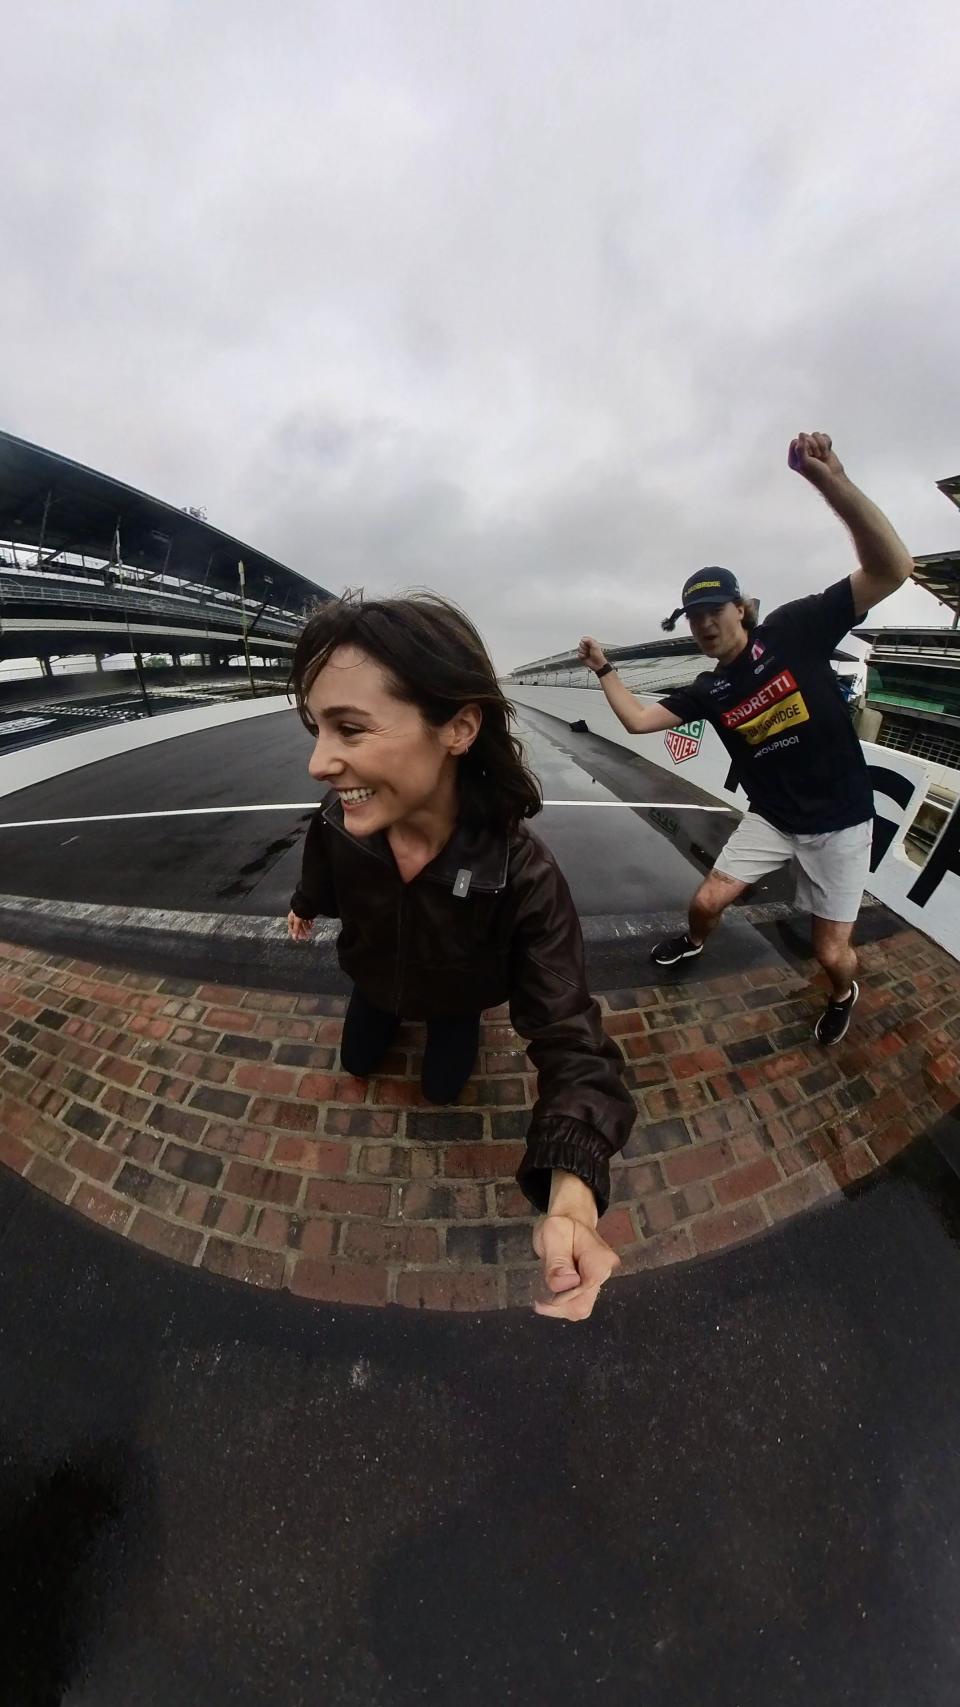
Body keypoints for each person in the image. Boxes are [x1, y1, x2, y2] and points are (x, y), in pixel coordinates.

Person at [286, 592, 635, 1321]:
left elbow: (574, 1040)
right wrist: (307, 903)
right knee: (357, 1062)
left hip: (456, 1002)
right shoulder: (342, 821)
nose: (320, 760)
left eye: (349, 727)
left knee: (444, 1088)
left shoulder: (525, 875)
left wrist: (573, 1183)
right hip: (374, 980)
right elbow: (321, 856)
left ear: (459, 727)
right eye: (316, 727)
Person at [578, 432, 915, 1047]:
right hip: (774, 819)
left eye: (715, 609)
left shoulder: (794, 629)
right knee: (706, 901)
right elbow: (635, 721)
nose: (705, 623)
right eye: (693, 616)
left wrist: (828, 481)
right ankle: (694, 942)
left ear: (744, 608)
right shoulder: (708, 688)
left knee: (830, 950)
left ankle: (843, 992)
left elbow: (894, 568)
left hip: (842, 822)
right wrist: (604, 670)